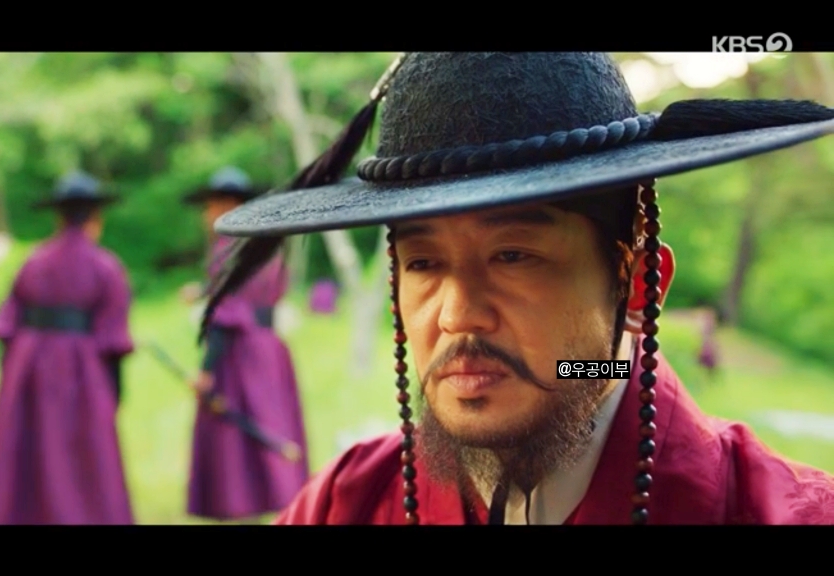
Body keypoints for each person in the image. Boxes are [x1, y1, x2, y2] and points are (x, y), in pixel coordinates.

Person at [201, 52, 834, 525]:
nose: (457, 315)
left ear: (640, 284)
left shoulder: (783, 512)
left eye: (513, 255)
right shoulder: (347, 502)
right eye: (423, 263)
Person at [0, 170, 134, 524]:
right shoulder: (106, 267)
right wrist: (114, 395)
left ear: (58, 217)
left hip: (26, 369)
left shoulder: (32, 262)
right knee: (85, 455)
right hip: (81, 372)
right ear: (95, 218)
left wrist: (6, 393)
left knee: (31, 449)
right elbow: (113, 342)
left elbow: (7, 331)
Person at [180, 166, 310, 522]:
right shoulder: (265, 246)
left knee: (236, 435)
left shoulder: (225, 249)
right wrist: (203, 292)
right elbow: (247, 294)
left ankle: (242, 504)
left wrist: (207, 370)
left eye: (212, 206)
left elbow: (227, 315)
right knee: (268, 422)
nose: (207, 215)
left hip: (239, 353)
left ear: (228, 206)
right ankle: (275, 500)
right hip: (270, 348)